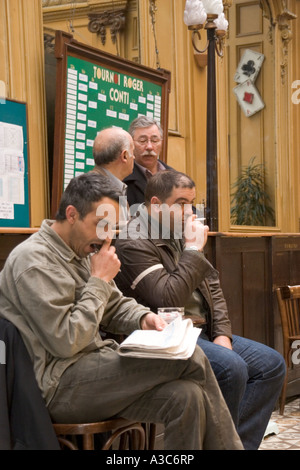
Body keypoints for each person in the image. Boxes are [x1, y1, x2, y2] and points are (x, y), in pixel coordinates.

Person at [0, 172, 243, 451]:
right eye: (101, 224)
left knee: (186, 397)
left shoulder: (80, 250)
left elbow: (115, 305)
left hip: (92, 370)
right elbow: (66, 341)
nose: (106, 236)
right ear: (71, 214)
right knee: (190, 355)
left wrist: (144, 318)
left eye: (111, 227)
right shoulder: (34, 261)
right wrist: (99, 281)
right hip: (57, 386)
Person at [114, 169, 286, 450]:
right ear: (156, 204)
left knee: (271, 365)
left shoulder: (180, 233)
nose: (188, 211)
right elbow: (166, 297)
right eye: (180, 203)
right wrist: (193, 250)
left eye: (190, 204)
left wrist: (223, 334)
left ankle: (235, 445)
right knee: (232, 368)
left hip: (201, 331)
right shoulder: (133, 241)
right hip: (164, 336)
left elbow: (213, 289)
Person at [123, 115, 173, 210]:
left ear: (161, 142)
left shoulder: (174, 176)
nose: (149, 147)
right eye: (142, 141)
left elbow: (188, 208)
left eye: (155, 140)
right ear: (131, 144)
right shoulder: (122, 179)